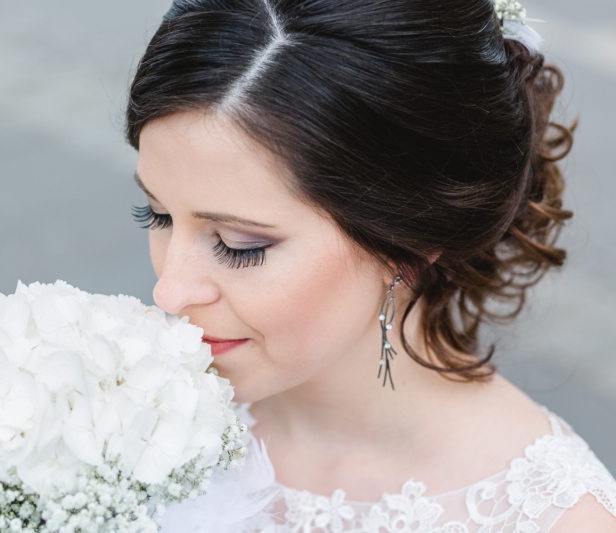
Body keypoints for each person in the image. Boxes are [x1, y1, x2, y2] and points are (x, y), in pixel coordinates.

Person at [124, 0, 616, 531]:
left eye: (239, 245)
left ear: (408, 238)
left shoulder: (554, 517)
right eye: (157, 214)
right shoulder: (107, 413)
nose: (169, 293)